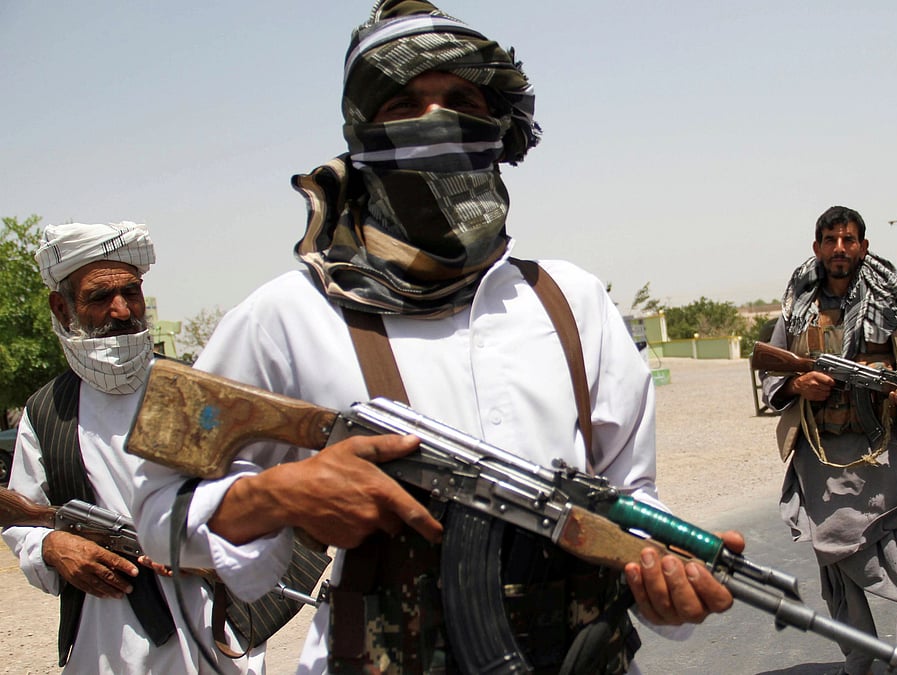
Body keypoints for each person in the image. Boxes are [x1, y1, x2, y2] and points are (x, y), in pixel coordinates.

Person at [132, 2, 740, 673]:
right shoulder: (288, 315)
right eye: (404, 104)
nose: (437, 122)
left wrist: (663, 581)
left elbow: (627, 494)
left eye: (461, 102)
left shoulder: (572, 302)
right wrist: (278, 495)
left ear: (496, 125)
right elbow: (158, 512)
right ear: (363, 128)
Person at [2, 222, 261, 673]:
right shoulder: (45, 411)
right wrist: (54, 546)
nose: (121, 310)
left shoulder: (195, 390)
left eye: (131, 292)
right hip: (104, 636)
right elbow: (23, 519)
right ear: (62, 307)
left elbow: (258, 493)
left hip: (212, 625)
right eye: (100, 296)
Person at [760, 205, 897, 674]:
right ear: (817, 247)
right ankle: (858, 662)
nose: (839, 249)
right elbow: (772, 373)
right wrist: (799, 384)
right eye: (830, 240)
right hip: (823, 461)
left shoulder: (892, 298)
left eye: (848, 240)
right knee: (840, 574)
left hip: (886, 456)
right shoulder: (798, 305)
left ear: (863, 246)